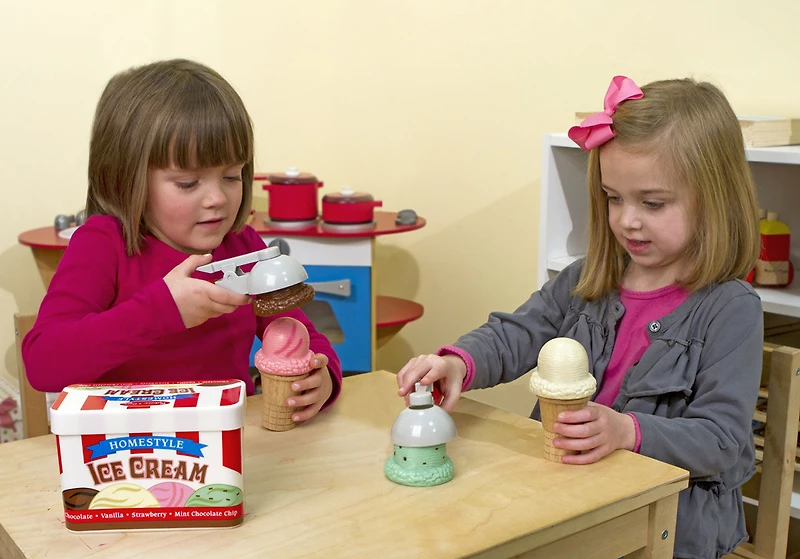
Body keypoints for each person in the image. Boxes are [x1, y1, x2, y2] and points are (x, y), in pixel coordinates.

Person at [396, 75, 762, 559]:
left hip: (668, 530)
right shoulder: (588, 278)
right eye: (614, 198)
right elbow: (518, 333)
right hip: (566, 505)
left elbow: (724, 441)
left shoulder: (730, 309)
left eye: (652, 203)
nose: (627, 220)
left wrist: (626, 431)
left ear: (713, 198)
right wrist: (460, 363)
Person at [23, 59, 341, 424]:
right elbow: (43, 362)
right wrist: (160, 311)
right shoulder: (102, 245)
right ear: (126, 178)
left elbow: (299, 332)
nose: (217, 198)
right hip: (122, 450)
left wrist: (324, 376)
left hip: (224, 444)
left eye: (232, 176)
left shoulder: (243, 248)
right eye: (188, 183)